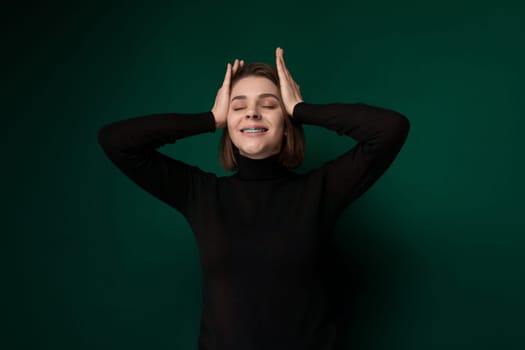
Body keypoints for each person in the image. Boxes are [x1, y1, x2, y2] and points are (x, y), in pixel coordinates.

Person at [97, 47, 410, 350]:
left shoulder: (320, 191)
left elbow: (391, 128)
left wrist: (301, 109)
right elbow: (116, 141)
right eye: (238, 105)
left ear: (287, 126)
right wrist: (210, 118)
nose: (252, 112)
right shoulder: (201, 194)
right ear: (229, 125)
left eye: (269, 104)